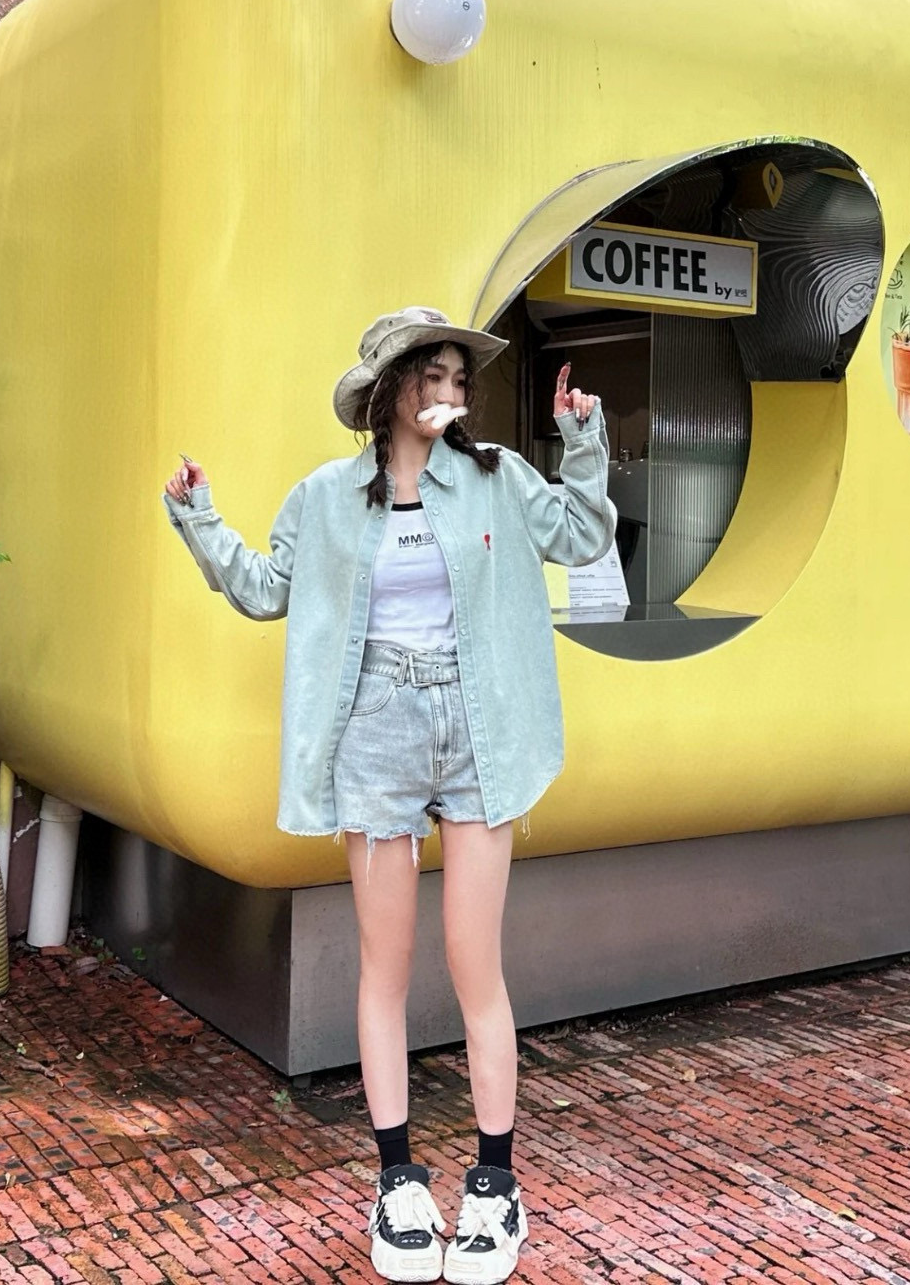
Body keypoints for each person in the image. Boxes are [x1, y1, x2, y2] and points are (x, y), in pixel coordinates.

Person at [163, 306, 616, 1285]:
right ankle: (399, 1181)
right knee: (386, 967)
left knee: (476, 963)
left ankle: (495, 1184)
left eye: (457, 376)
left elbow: (583, 535)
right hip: (375, 731)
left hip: (478, 727)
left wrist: (581, 437)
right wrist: (200, 517)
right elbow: (263, 589)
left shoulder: (498, 477)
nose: (448, 390)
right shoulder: (325, 499)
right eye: (430, 374)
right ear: (388, 392)